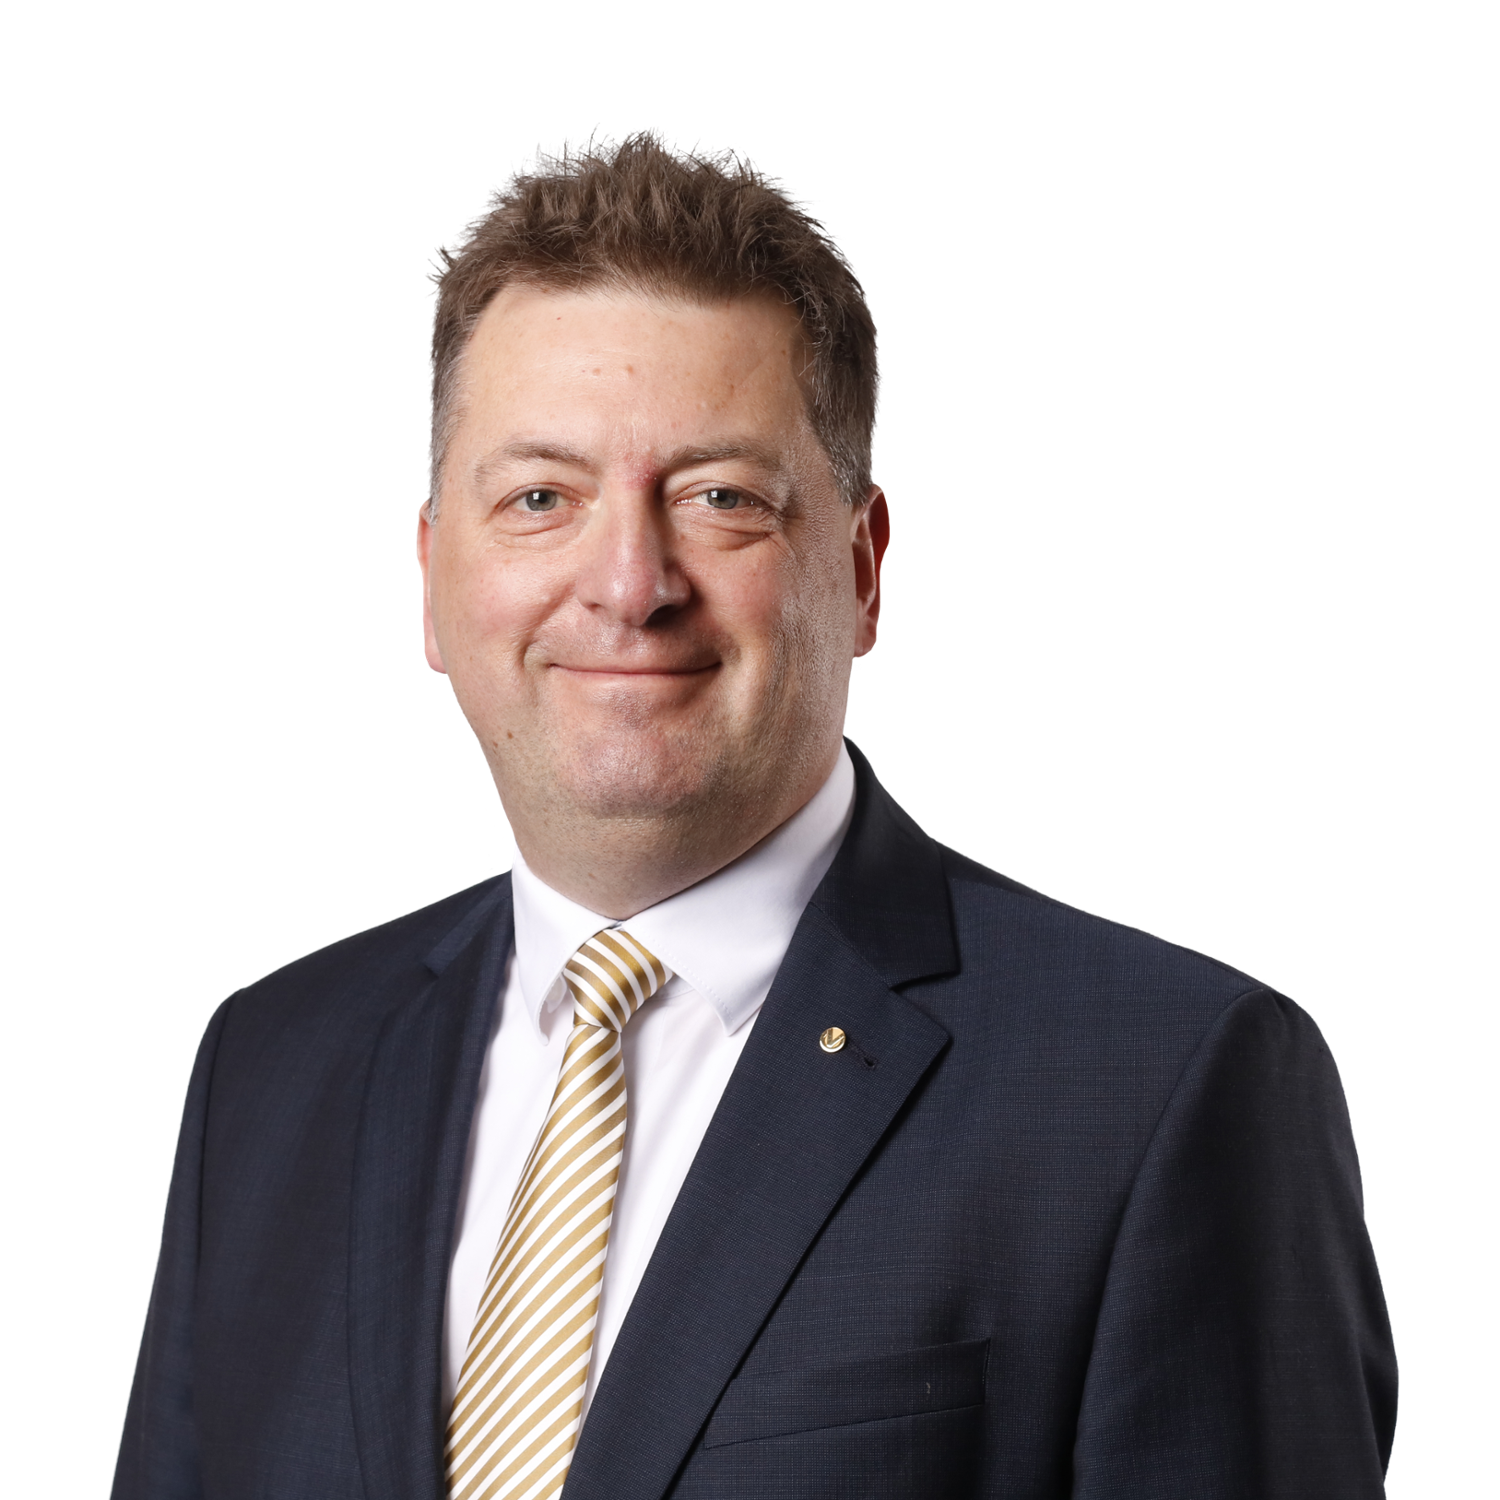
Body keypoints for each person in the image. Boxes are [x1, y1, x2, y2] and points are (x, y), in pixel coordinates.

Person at [112, 129, 1397, 1500]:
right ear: (434, 579)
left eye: (718, 498)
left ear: (863, 570)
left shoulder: (1165, 1082)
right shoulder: (270, 1063)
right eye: (540, 497)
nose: (629, 585)